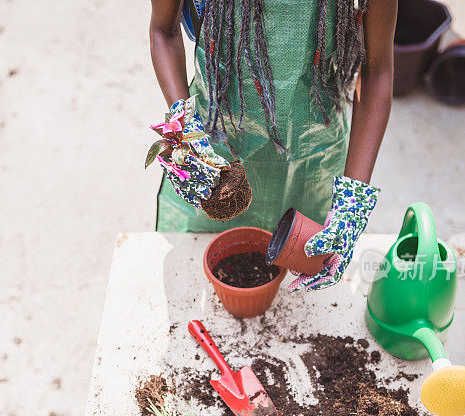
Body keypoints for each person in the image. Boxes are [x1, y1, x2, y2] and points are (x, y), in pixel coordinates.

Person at [149, 0, 396, 290]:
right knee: (194, 276)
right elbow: (163, 31)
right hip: (214, 157)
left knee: (305, 270)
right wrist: (185, 126)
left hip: (313, 163)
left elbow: (377, 69)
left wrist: (353, 203)